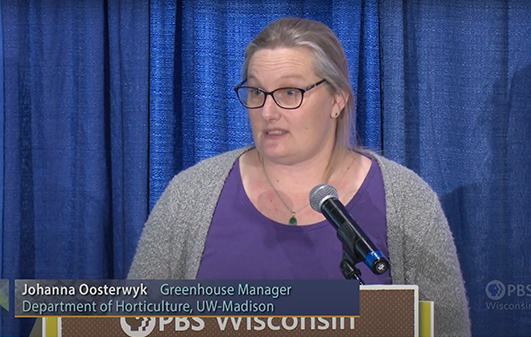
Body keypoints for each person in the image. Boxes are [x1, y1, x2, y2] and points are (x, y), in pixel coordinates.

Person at [128, 17, 471, 336]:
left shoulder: (407, 200)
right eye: (257, 92)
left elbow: (446, 329)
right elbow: (134, 322)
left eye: (290, 92)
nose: (267, 111)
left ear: (337, 99)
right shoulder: (189, 195)